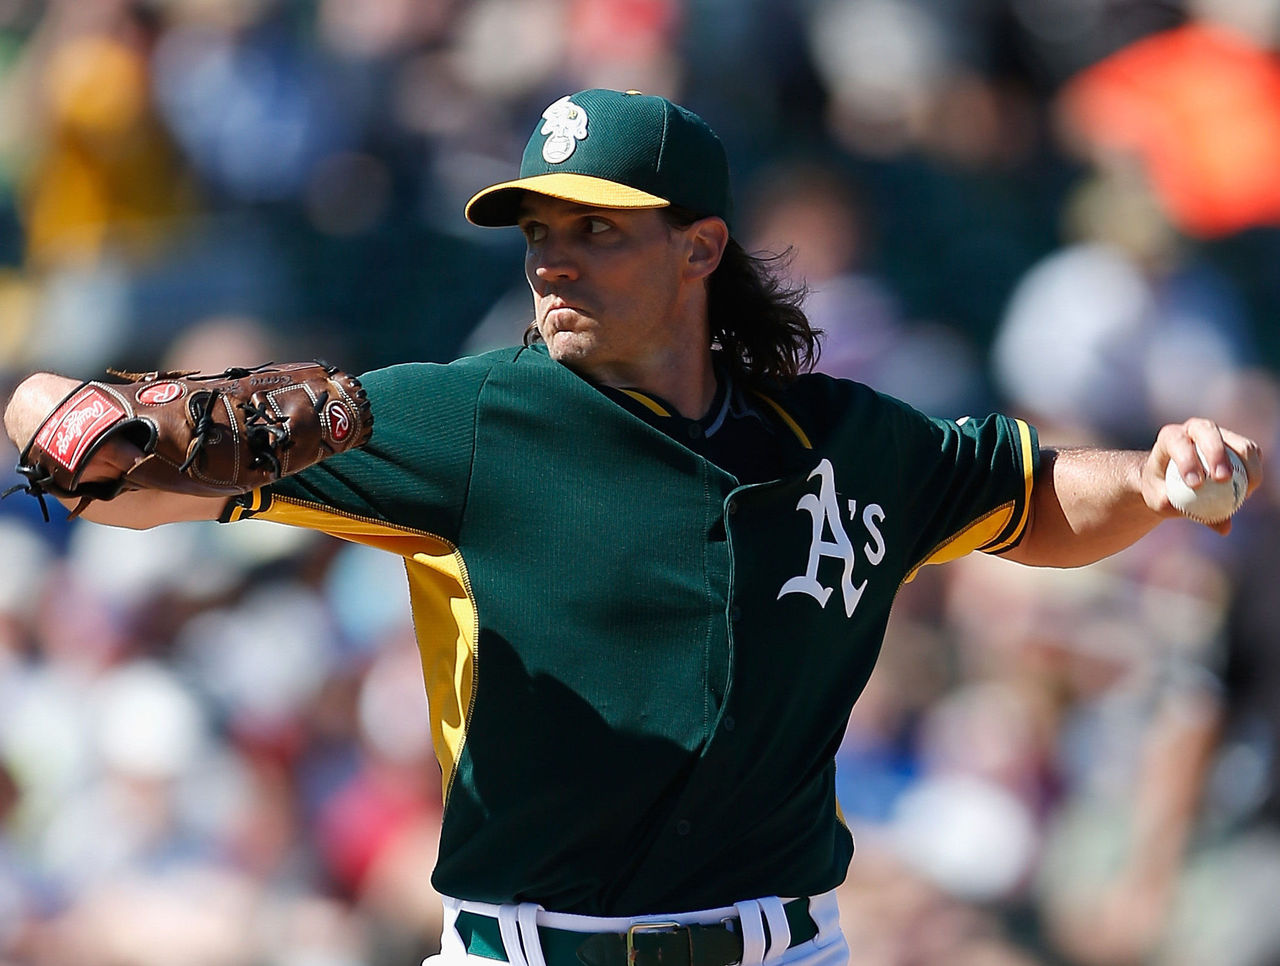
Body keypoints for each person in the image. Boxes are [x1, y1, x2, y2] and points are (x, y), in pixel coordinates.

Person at [2, 88, 1265, 966]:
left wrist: (1149, 482)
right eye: (538, 233)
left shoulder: (843, 439)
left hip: (786, 939)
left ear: (699, 246)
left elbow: (1031, 500)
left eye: (593, 232)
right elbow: (129, 483)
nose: (551, 261)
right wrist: (66, 422)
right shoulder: (466, 420)